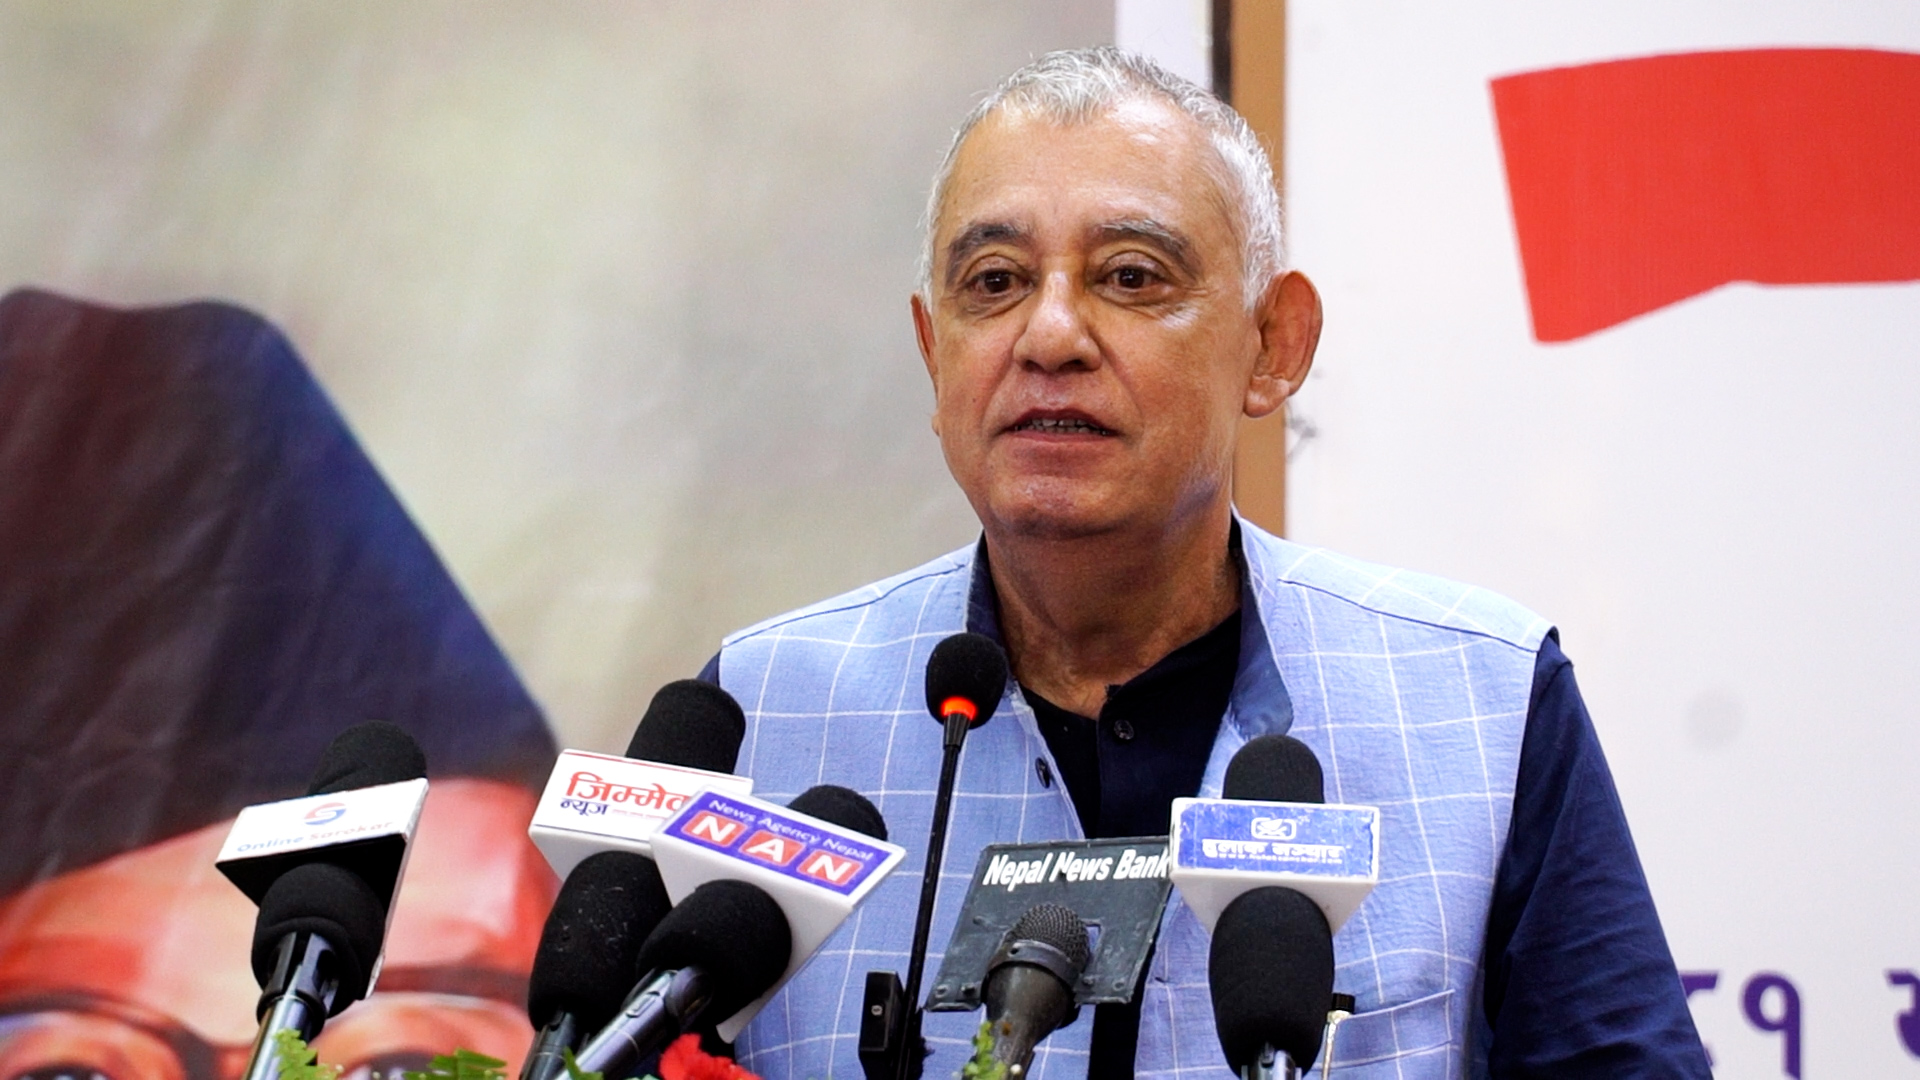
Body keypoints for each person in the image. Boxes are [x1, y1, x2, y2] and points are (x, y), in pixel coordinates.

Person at [700, 48, 1709, 1078]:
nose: (1050, 335)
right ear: (933, 350)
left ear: (1274, 344)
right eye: (995, 283)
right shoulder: (760, 719)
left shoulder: (1482, 704)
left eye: (1130, 277)